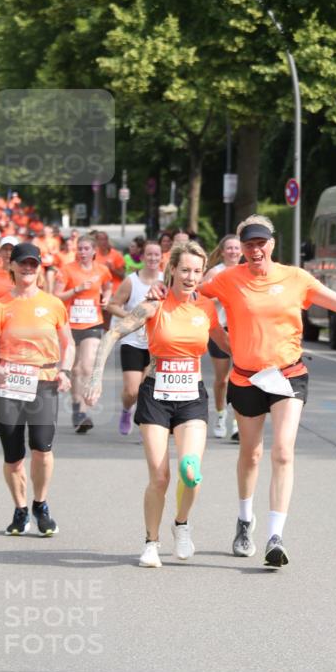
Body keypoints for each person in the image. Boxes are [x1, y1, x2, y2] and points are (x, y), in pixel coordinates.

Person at [197, 214, 336, 568]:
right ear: (241, 248)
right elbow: (192, 297)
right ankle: (245, 520)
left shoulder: (296, 278)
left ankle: (276, 536)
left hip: (288, 375)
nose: (255, 250)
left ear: (272, 244)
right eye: (249, 244)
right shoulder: (228, 280)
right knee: (252, 454)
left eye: (261, 243)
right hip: (246, 377)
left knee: (283, 452)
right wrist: (219, 336)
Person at [84, 242, 229, 568]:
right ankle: (151, 542)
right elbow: (112, 335)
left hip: (191, 396)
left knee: (190, 472)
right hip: (157, 395)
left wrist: (269, 358)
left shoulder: (206, 308)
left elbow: (228, 344)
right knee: (160, 477)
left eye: (196, 271)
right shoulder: (154, 306)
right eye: (185, 270)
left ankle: (181, 524)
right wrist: (94, 379)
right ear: (173, 270)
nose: (191, 277)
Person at [0, 242, 74, 536]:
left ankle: (40, 505)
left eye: (33, 264)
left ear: (39, 267)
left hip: (43, 381)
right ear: (13, 267)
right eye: (23, 264)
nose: (28, 268)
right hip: (9, 384)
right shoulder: (2, 305)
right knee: (13, 456)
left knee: (42, 450)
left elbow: (67, 344)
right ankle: (20, 510)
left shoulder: (53, 304)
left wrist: (65, 371)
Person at [54, 234, 112, 433]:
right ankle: (77, 408)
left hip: (93, 323)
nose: (83, 252)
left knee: (87, 366)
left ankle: (83, 413)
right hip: (70, 324)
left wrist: (107, 298)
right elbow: (56, 297)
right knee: (76, 369)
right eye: (80, 248)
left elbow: (108, 285)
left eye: (87, 248)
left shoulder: (102, 270)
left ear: (94, 251)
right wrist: (76, 290)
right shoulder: (66, 270)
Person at [107, 239, 163, 435]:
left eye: (157, 254)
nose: (153, 258)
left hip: (156, 343)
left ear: (162, 256)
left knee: (148, 388)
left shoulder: (167, 280)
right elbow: (112, 305)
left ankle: (147, 427)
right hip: (132, 341)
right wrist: (131, 317)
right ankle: (126, 410)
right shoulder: (132, 280)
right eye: (149, 254)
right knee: (132, 391)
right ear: (142, 256)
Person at [202, 234, 242, 440]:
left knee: (242, 377)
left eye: (237, 248)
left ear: (242, 250)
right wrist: (221, 296)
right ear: (223, 251)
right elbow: (200, 296)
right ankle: (220, 414)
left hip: (242, 330)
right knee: (222, 379)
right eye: (230, 248)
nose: (233, 252)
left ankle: (237, 423)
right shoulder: (214, 272)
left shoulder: (248, 272)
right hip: (219, 330)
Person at [94, 231, 126, 328]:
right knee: (99, 314)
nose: (103, 242)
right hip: (98, 288)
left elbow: (122, 275)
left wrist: (113, 269)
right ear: (96, 241)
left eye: (105, 239)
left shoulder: (116, 255)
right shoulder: (93, 254)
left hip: (114, 290)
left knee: (108, 313)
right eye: (100, 239)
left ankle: (107, 333)